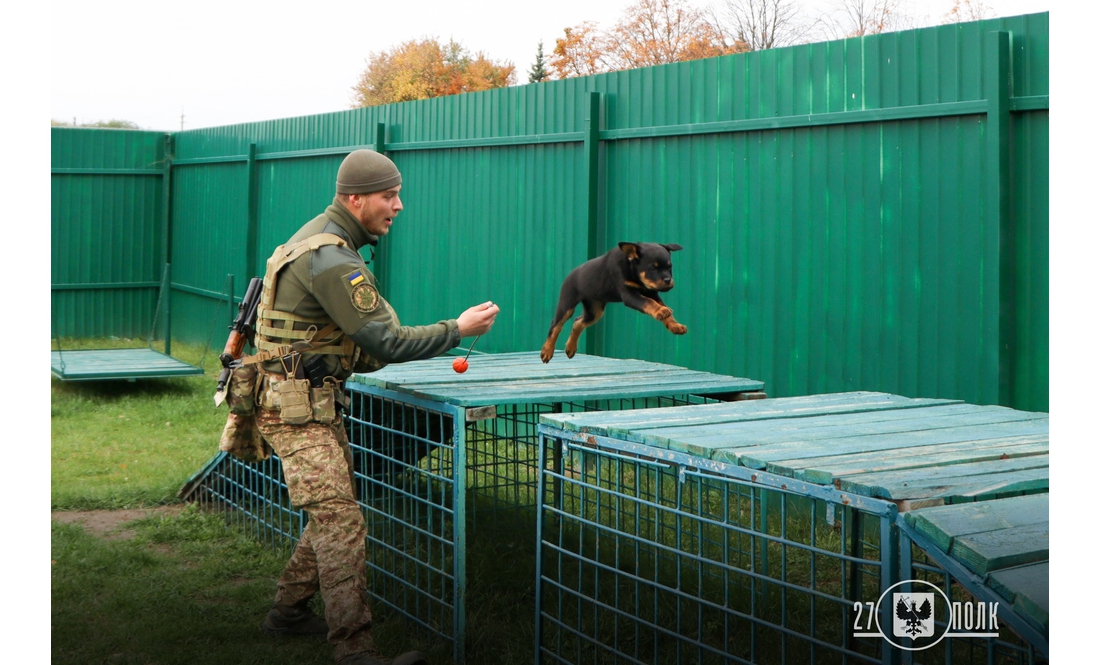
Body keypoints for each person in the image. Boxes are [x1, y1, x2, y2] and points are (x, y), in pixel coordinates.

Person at [250, 149, 499, 665]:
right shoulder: (334, 259)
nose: (399, 206)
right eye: (389, 196)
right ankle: (355, 652)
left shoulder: (318, 238)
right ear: (356, 199)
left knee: (331, 511)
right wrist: (459, 330)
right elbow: (388, 343)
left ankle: (288, 613)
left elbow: (355, 344)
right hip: (295, 408)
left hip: (307, 402)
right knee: (340, 520)